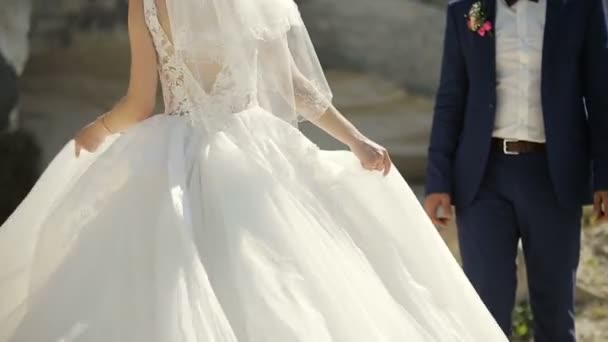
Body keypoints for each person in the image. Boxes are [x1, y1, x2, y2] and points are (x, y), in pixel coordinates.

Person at [0, 0, 506, 340]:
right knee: (287, 278)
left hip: (174, 155)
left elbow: (138, 105)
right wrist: (356, 139)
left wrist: (97, 129)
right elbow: (294, 85)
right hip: (256, 149)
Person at [424, 0, 608, 340]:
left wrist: (605, 176)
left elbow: (601, 94)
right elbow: (451, 97)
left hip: (554, 177)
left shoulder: (581, 8)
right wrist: (438, 179)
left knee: (554, 312)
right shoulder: (466, 9)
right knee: (484, 309)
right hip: (483, 179)